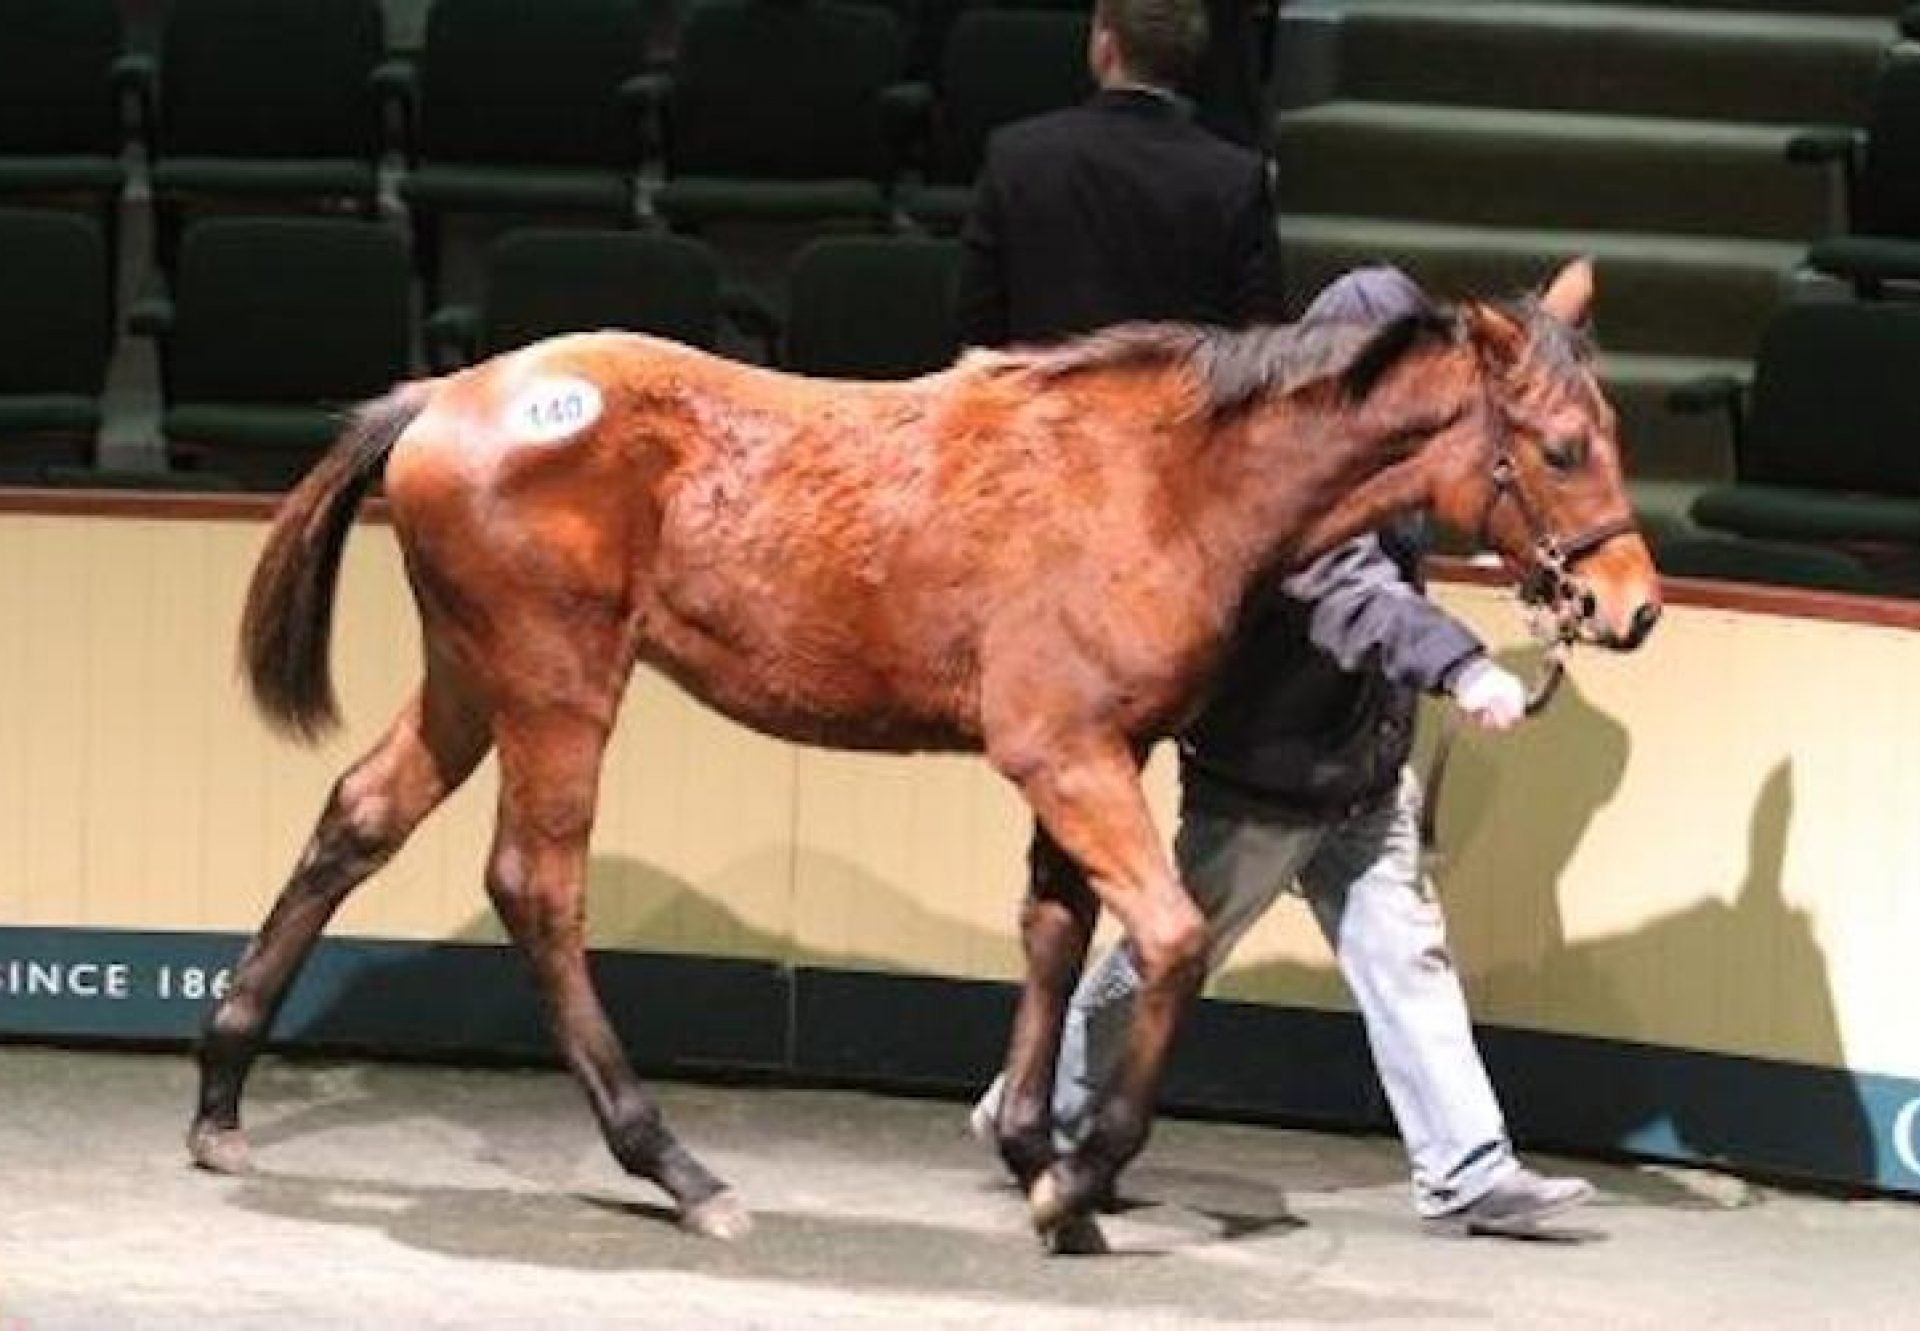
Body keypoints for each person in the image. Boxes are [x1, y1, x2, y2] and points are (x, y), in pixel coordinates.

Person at [956, 0, 1595, 1239]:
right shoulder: (1299, 484)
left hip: (1354, 759)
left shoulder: (1383, 454)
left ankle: (1470, 1166)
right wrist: (1463, 665)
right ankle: (1031, 1101)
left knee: (1404, 954)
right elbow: (1350, 588)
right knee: (1169, 944)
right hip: (1275, 760)